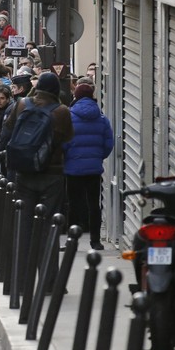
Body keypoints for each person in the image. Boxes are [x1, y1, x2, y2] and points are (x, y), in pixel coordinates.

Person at [3, 72, 74, 285]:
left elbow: (8, 129)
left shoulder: (22, 104)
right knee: (48, 229)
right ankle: (49, 280)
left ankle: (22, 282)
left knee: (24, 228)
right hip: (51, 175)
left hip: (24, 173)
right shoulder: (61, 111)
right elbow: (68, 139)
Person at [63, 83, 113, 251]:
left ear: (75, 96)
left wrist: (68, 157)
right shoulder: (102, 118)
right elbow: (108, 143)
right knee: (94, 205)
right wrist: (98, 157)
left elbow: (63, 143)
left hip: (72, 168)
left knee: (73, 204)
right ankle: (95, 240)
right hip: (94, 168)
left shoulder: (69, 117)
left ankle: (72, 241)